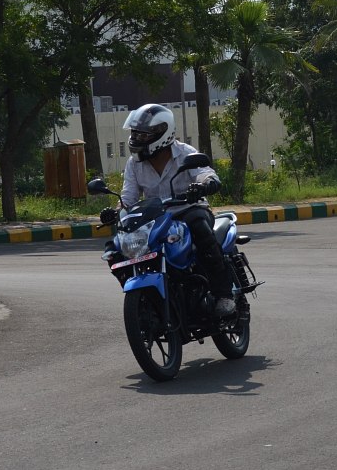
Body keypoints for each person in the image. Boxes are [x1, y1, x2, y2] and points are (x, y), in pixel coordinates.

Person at [101, 103, 236, 318]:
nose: (136, 138)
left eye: (143, 134)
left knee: (200, 228)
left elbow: (205, 173)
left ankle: (224, 294)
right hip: (156, 218)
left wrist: (205, 184)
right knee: (115, 247)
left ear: (162, 133)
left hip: (189, 209)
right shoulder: (134, 164)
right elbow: (128, 198)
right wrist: (116, 211)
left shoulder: (185, 153)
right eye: (135, 133)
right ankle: (146, 296)